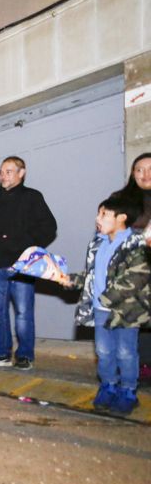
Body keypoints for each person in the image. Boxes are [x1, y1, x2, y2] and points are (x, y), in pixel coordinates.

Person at [55, 197, 148, 415]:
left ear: (121, 218)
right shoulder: (98, 244)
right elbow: (92, 276)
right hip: (100, 309)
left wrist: (105, 298)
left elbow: (136, 278)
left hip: (126, 311)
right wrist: (70, 279)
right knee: (103, 351)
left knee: (126, 352)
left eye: (104, 214)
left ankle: (128, 391)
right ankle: (108, 386)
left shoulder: (136, 244)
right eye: (98, 214)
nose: (98, 219)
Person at [0, 156, 57, 370]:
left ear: (22, 173)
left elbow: (49, 227)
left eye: (9, 171)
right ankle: (0, 354)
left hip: (22, 267)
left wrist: (26, 248)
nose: (3, 175)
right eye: (1, 171)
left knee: (23, 313)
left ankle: (24, 356)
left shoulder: (32, 198)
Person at [111, 152, 151, 382]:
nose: (145, 174)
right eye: (139, 169)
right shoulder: (120, 199)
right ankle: (138, 363)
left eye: (149, 168)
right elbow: (108, 230)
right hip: (132, 269)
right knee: (134, 317)